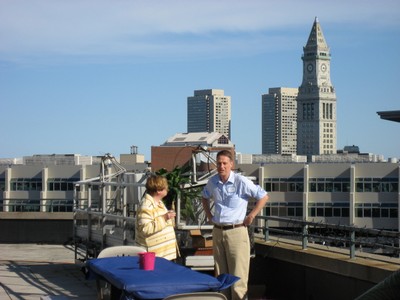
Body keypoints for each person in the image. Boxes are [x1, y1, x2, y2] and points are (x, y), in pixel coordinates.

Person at [202, 150, 269, 300]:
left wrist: (251, 215)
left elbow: (263, 196)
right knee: (221, 277)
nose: (221, 166)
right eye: (219, 163)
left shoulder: (241, 181)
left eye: (225, 163)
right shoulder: (212, 182)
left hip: (236, 231)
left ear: (231, 164)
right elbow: (204, 196)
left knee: (238, 277)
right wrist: (209, 215)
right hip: (218, 231)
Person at [135, 175, 178, 260]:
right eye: (165, 187)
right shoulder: (146, 205)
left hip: (163, 256)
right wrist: (165, 218)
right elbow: (145, 229)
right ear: (159, 190)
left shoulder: (159, 203)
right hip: (152, 258)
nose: (167, 189)